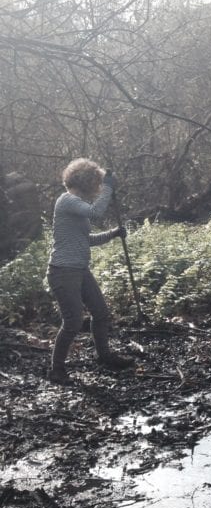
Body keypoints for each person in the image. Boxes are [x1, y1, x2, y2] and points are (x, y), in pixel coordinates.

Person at [46, 158, 132, 384]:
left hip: (79, 270)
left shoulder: (75, 204)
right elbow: (96, 213)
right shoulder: (67, 200)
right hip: (63, 272)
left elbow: (86, 240)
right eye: (97, 182)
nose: (97, 187)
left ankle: (104, 356)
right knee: (73, 321)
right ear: (88, 181)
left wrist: (113, 234)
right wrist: (108, 188)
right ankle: (57, 370)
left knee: (101, 313)